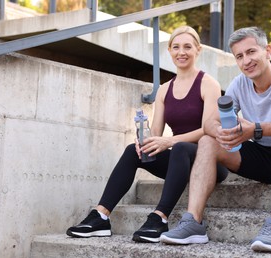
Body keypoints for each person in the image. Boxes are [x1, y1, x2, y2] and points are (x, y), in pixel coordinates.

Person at [160, 26, 271, 252]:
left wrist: (257, 129)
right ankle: (193, 222)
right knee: (207, 141)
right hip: (266, 159)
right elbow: (210, 123)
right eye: (239, 56)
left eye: (251, 52)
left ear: (267, 51)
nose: (246, 61)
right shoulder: (239, 84)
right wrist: (219, 132)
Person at [66, 25, 228, 243]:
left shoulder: (209, 84)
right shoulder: (164, 89)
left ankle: (159, 218)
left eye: (188, 47)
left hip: (211, 162)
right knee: (133, 151)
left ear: (198, 50)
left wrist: (170, 140)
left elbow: (210, 129)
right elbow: (156, 133)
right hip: (181, 161)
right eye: (176, 47)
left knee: (180, 147)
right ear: (169, 51)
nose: (182, 52)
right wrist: (144, 141)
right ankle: (101, 216)